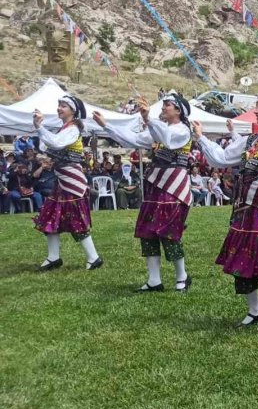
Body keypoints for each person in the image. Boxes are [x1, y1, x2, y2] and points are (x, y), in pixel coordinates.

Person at [194, 92, 258, 328]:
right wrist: (200, 138)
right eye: (257, 106)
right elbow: (221, 158)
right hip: (244, 208)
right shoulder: (251, 140)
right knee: (241, 257)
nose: (257, 110)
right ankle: (255, 310)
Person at [94, 94, 194, 293]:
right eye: (163, 104)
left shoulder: (182, 130)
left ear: (179, 111)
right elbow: (134, 139)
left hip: (173, 188)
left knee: (169, 232)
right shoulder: (158, 129)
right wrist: (107, 126)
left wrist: (149, 119)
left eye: (168, 105)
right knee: (148, 232)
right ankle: (154, 280)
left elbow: (168, 138)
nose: (163, 108)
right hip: (155, 186)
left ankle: (182, 275)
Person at [31, 95, 104, 271]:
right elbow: (47, 145)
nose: (59, 108)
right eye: (59, 105)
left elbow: (55, 143)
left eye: (63, 106)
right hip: (62, 179)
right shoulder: (65, 128)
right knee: (49, 216)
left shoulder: (72, 129)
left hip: (71, 179)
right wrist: (40, 128)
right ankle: (53, 257)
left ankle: (93, 257)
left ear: (73, 111)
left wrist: (39, 127)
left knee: (75, 218)